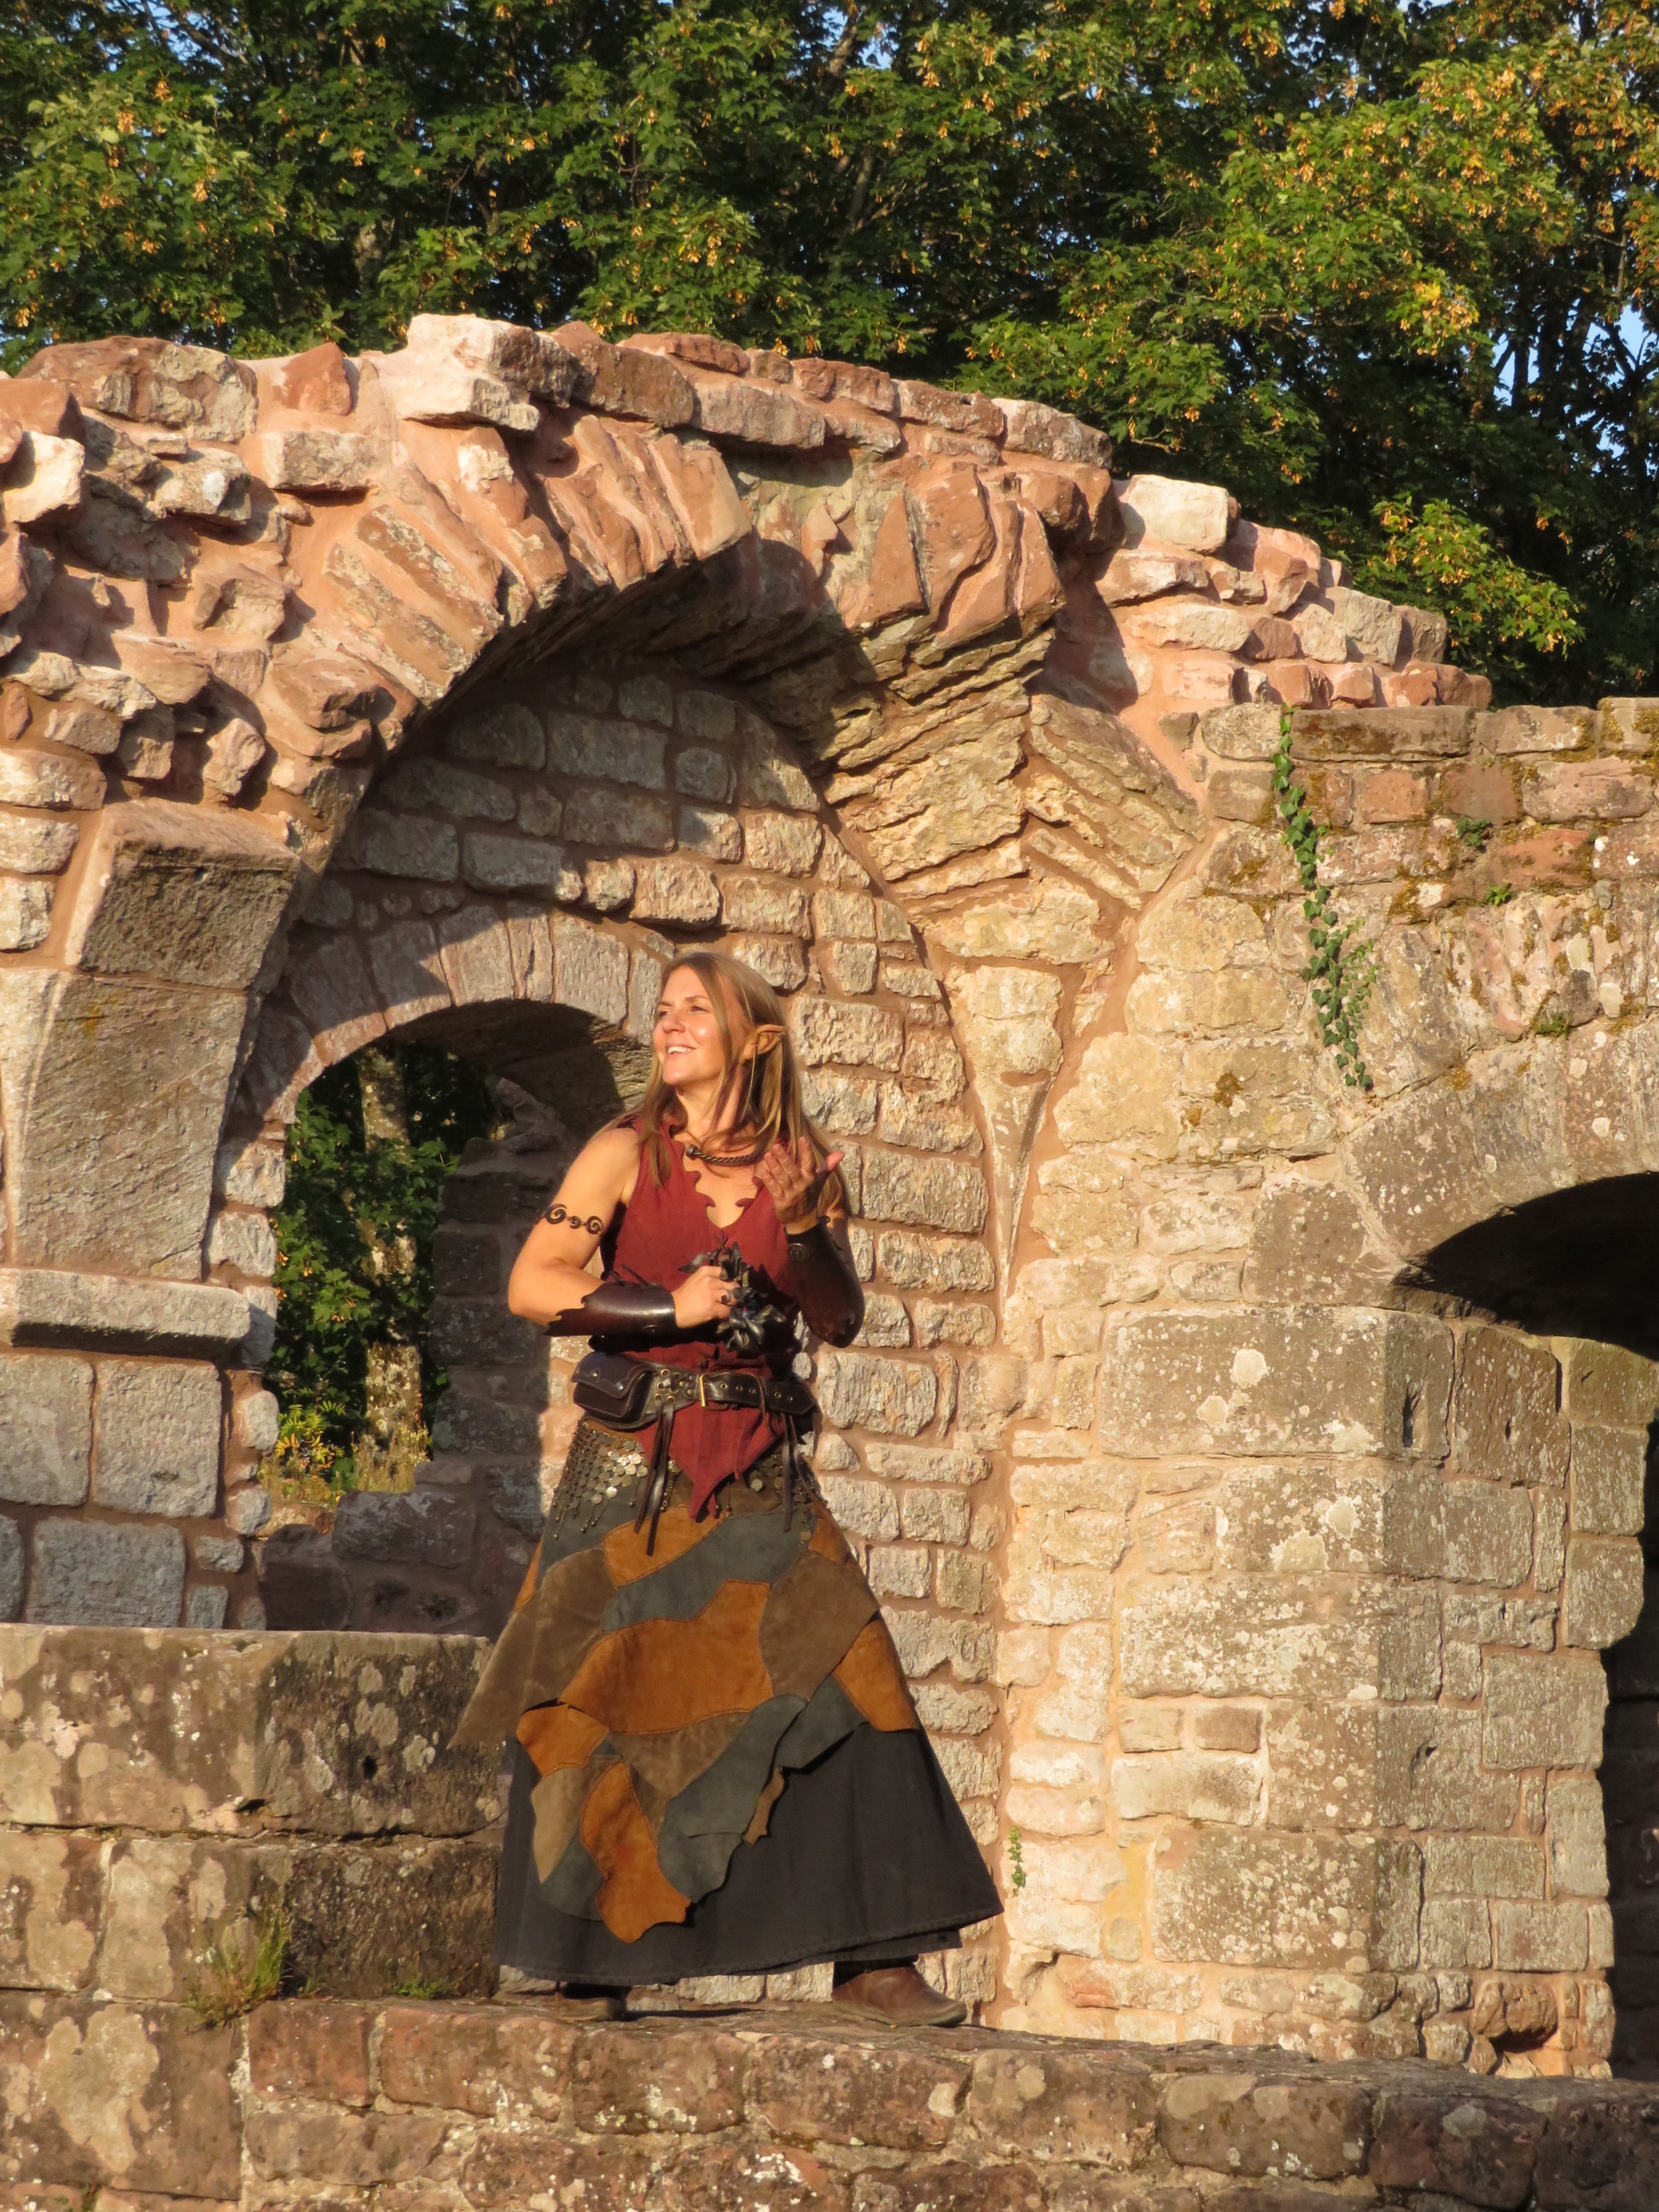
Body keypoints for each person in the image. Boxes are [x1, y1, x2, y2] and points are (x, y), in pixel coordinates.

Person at [453, 948, 1000, 2024]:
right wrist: (670, 1309)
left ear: (752, 1040)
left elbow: (838, 1318)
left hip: (760, 1467)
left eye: (694, 1011)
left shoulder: (803, 1169)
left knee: (852, 1676)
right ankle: (589, 1959)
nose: (668, 1025)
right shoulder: (622, 1151)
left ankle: (875, 1961)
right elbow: (531, 1285)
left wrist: (801, 1231)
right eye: (662, 1009)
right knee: (602, 1693)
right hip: (632, 1464)